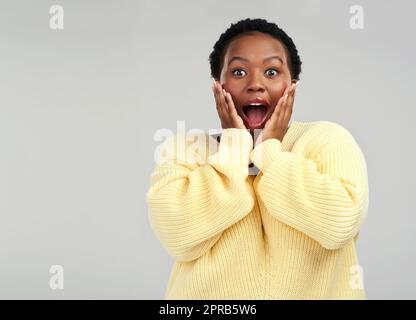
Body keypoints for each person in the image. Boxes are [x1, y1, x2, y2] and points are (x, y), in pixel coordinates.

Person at [146, 18, 369, 299]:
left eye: (272, 71)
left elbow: (339, 225)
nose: (255, 84)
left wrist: (269, 151)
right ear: (218, 85)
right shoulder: (185, 149)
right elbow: (178, 236)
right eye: (239, 72)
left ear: (292, 85)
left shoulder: (328, 139)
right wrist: (235, 147)